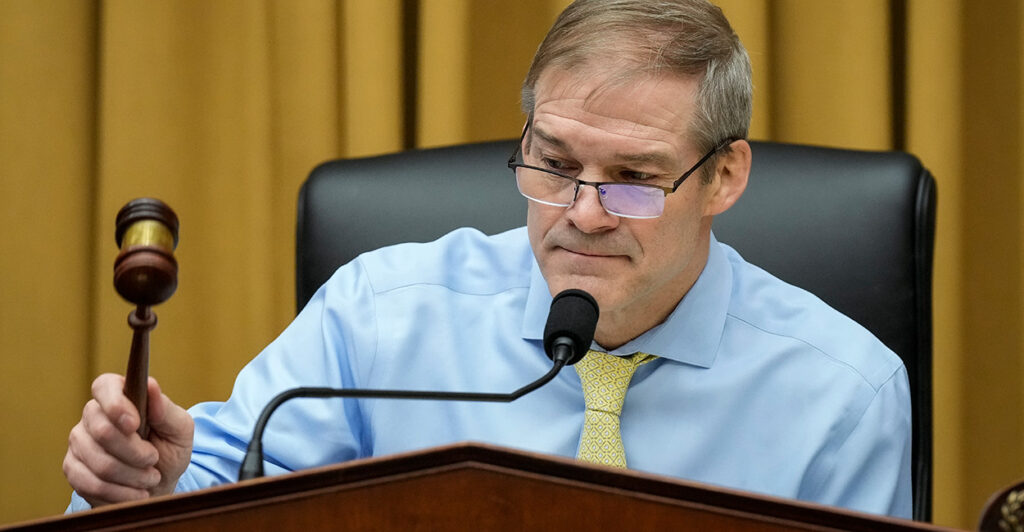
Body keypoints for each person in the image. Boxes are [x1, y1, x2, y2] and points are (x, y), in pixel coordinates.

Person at [63, 0, 912, 518]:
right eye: (555, 162)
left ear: (723, 177)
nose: (581, 213)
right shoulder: (380, 314)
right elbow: (208, 492)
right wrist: (145, 485)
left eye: (632, 179)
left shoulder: (843, 392)